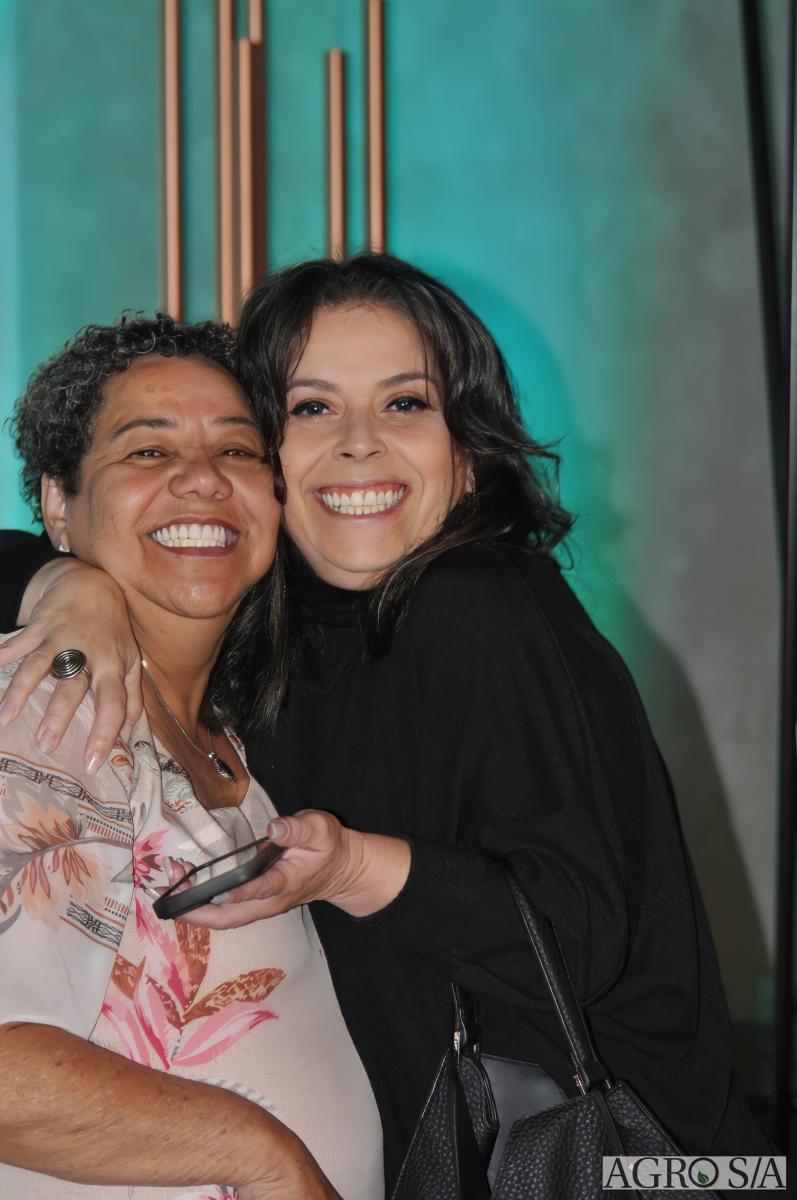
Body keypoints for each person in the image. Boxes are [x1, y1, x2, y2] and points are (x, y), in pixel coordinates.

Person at [0, 257, 771, 1194]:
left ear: (469, 451)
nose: (358, 444)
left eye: (405, 404)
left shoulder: (481, 608)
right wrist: (59, 580)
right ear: (274, 462)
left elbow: (583, 939)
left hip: (626, 1161)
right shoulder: (265, 643)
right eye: (312, 408)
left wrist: (354, 868)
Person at [0, 314, 386, 1200]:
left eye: (239, 451)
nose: (203, 478)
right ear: (58, 505)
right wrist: (264, 1156)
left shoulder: (231, 737)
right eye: (147, 451)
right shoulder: (42, 708)